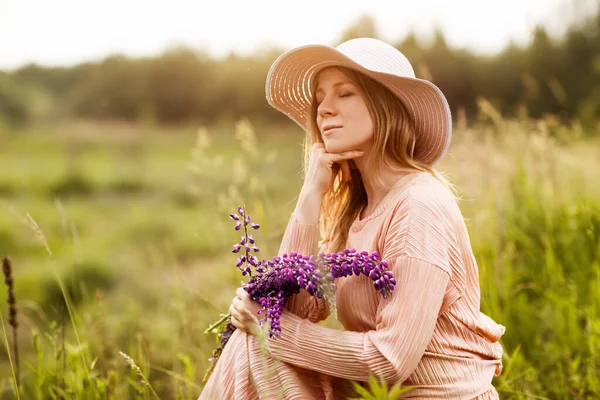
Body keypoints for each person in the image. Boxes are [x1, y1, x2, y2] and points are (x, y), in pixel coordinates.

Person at [199, 38, 506, 399]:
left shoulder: (420, 205)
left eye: (344, 94)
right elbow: (294, 308)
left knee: (258, 342)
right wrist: (311, 195)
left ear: (385, 107)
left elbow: (391, 360)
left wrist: (269, 328)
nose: (324, 109)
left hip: (436, 395)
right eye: (319, 98)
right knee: (251, 345)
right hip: (375, 393)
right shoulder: (357, 212)